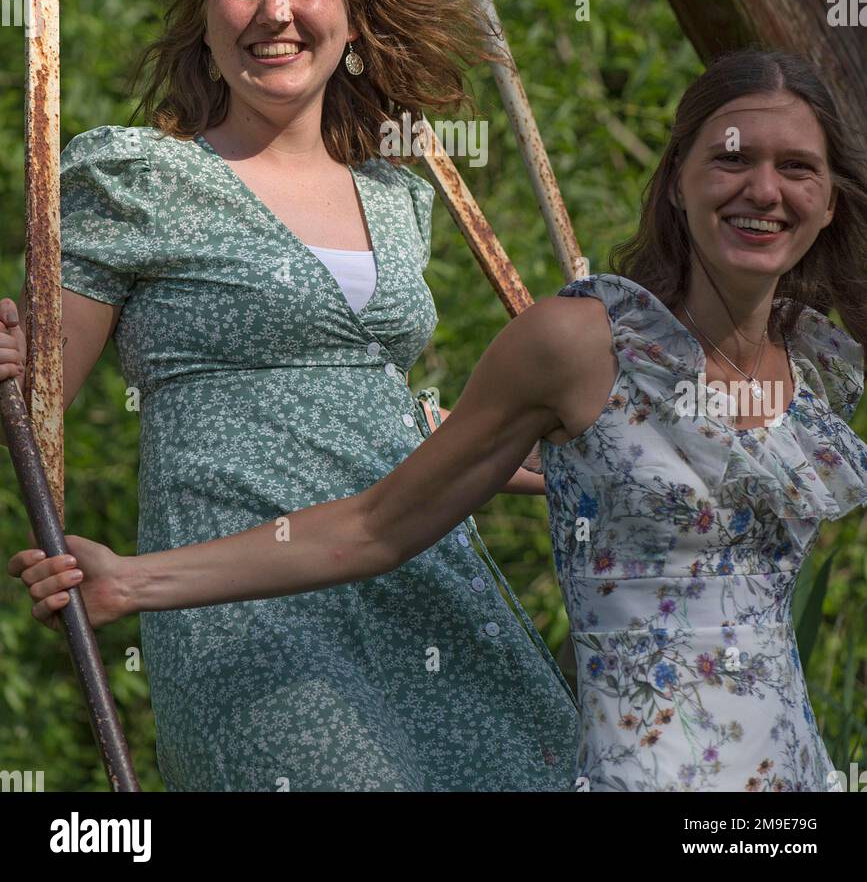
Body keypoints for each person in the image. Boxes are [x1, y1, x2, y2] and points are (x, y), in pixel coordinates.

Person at [10, 46, 867, 790]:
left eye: (796, 168)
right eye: (729, 160)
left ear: (829, 199)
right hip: (648, 770)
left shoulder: (820, 367)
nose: (763, 189)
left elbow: (649, 473)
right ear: (677, 181)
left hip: (792, 774)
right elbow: (377, 526)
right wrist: (133, 580)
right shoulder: (577, 342)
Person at [0, 0, 579, 793]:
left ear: (349, 16)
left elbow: (369, 403)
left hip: (418, 575)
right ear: (205, 16)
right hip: (235, 597)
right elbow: (37, 407)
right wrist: (11, 363)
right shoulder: (136, 176)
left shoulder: (398, 197)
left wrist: (527, 455)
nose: (275, 13)